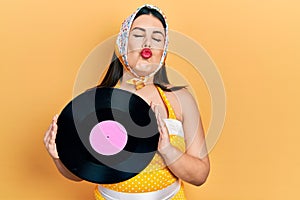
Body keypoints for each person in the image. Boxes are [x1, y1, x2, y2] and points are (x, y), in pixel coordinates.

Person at [44, 4, 210, 200]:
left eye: (157, 38)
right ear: (122, 42)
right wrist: (58, 157)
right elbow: (81, 171)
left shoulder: (181, 99)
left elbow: (200, 175)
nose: (148, 44)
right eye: (138, 35)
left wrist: (167, 150)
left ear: (163, 51)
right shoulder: (95, 102)